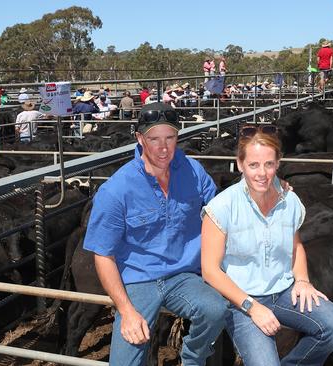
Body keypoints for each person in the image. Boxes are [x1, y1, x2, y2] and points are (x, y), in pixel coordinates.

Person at [83, 102, 227, 366]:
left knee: (216, 308)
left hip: (183, 275)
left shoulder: (193, 172)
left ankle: (192, 360)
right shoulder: (116, 189)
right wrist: (126, 310)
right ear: (140, 139)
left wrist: (266, 191)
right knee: (125, 358)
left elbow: (221, 212)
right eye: (154, 139)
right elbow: (103, 254)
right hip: (138, 280)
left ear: (177, 137)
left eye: (170, 138)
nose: (163, 148)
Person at [200, 125, 333, 366]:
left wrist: (302, 280)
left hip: (283, 292)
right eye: (253, 165)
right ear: (240, 164)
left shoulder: (289, 201)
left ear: (278, 163)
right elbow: (210, 271)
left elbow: (296, 246)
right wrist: (252, 307)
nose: (262, 173)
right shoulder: (221, 208)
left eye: (269, 164)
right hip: (240, 300)